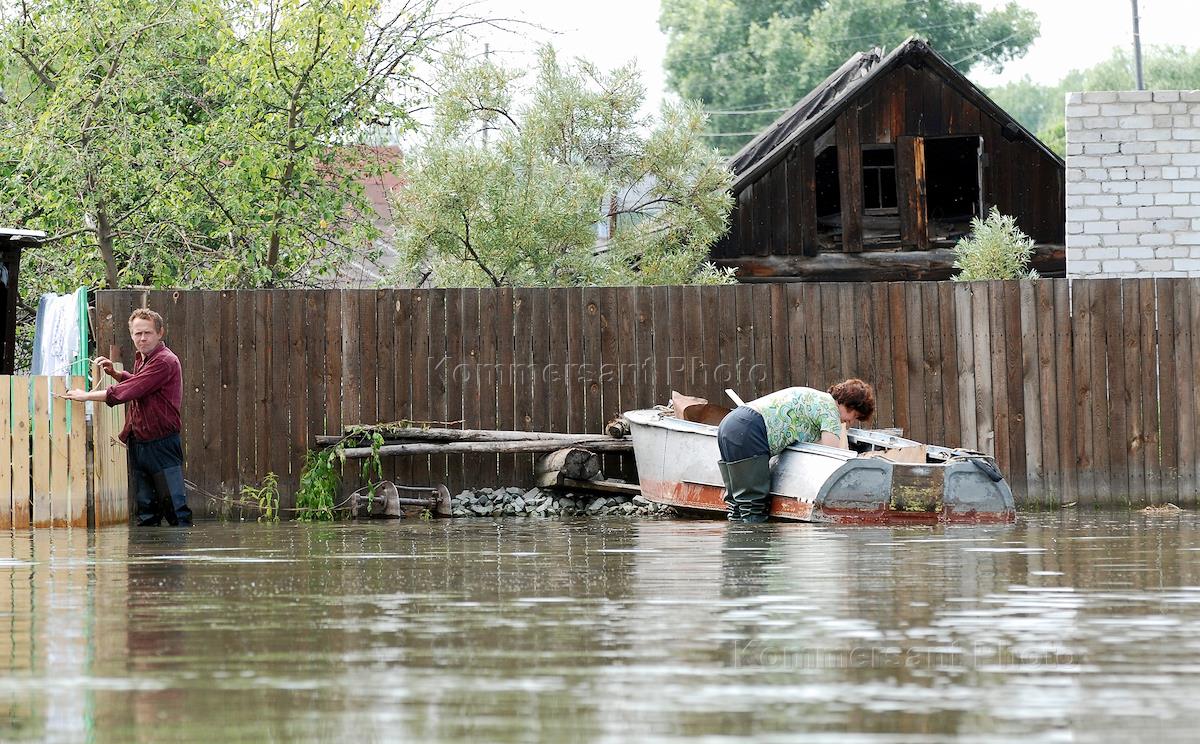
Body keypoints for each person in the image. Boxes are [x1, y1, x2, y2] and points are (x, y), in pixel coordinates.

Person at [63, 308, 191, 527]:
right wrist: (117, 374)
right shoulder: (143, 358)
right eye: (137, 333)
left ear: (160, 333)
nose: (142, 338)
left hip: (162, 445)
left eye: (148, 333)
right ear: (131, 335)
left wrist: (85, 396)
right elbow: (142, 384)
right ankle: (147, 561)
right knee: (146, 512)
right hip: (140, 442)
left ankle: (177, 560)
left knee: (176, 513)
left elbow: (129, 391)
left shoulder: (165, 361)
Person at [716, 379, 875, 523]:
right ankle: (755, 549)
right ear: (850, 404)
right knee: (754, 505)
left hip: (731, 424)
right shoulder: (830, 412)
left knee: (736, 503)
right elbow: (830, 456)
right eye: (855, 416)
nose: (851, 422)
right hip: (751, 430)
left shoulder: (816, 398)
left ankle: (736, 548)